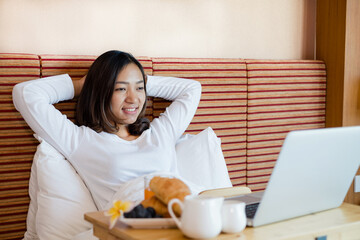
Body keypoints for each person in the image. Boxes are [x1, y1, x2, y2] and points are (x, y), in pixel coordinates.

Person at [12, 50, 202, 210]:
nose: (133, 99)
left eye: (139, 89)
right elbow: (26, 94)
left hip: (182, 213)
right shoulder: (81, 141)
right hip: (132, 226)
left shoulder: (161, 133)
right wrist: (82, 86)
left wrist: (141, 81)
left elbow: (192, 89)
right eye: (120, 89)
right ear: (101, 91)